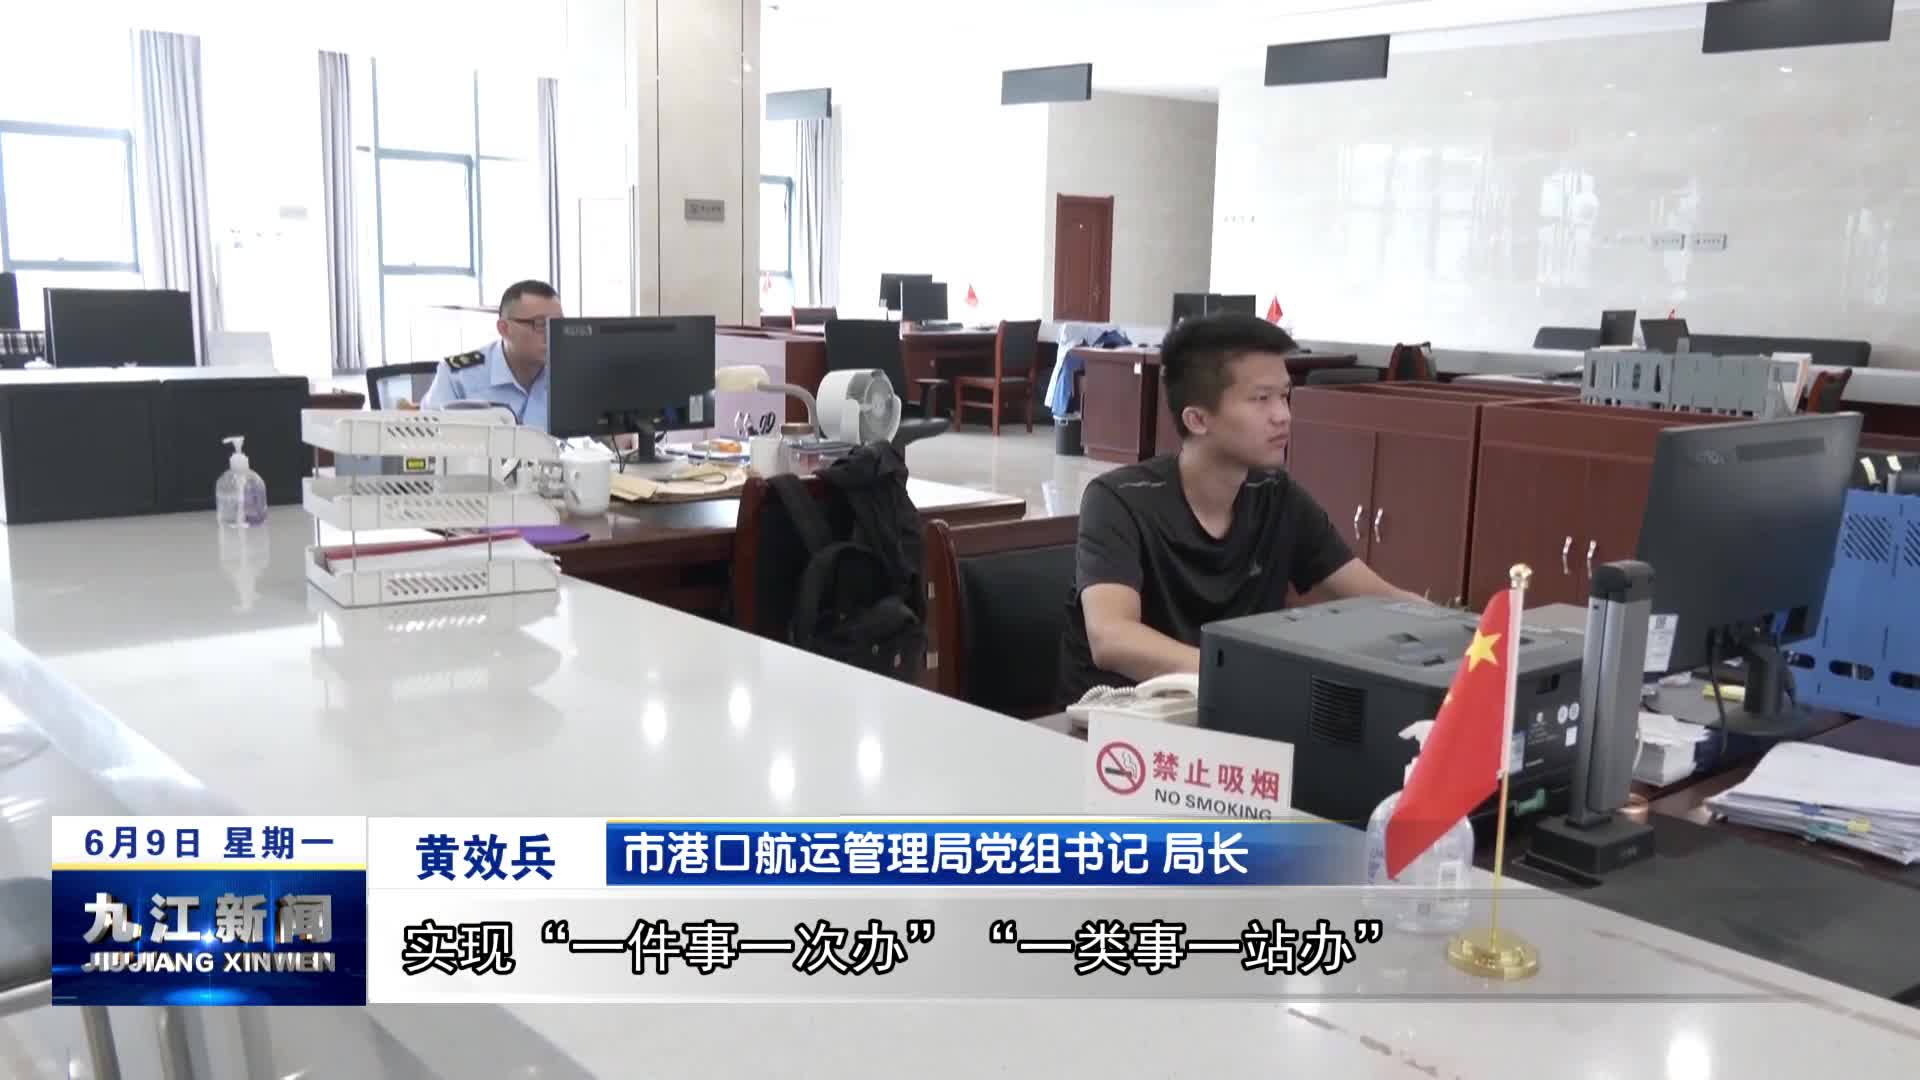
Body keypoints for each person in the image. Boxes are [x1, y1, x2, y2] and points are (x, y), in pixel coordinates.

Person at [1057, 313, 1421, 705]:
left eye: (1284, 395)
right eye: (1261, 399)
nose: (1283, 415)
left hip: (1232, 707)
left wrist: (1462, 632)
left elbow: (1379, 597)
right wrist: (1243, 676)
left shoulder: (1276, 495)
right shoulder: (1119, 499)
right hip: (1118, 721)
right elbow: (1112, 637)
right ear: (1198, 419)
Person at [419, 280, 564, 431]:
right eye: (540, 324)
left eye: (558, 324)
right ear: (504, 329)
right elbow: (430, 436)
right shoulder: (457, 376)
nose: (552, 333)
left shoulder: (569, 373)